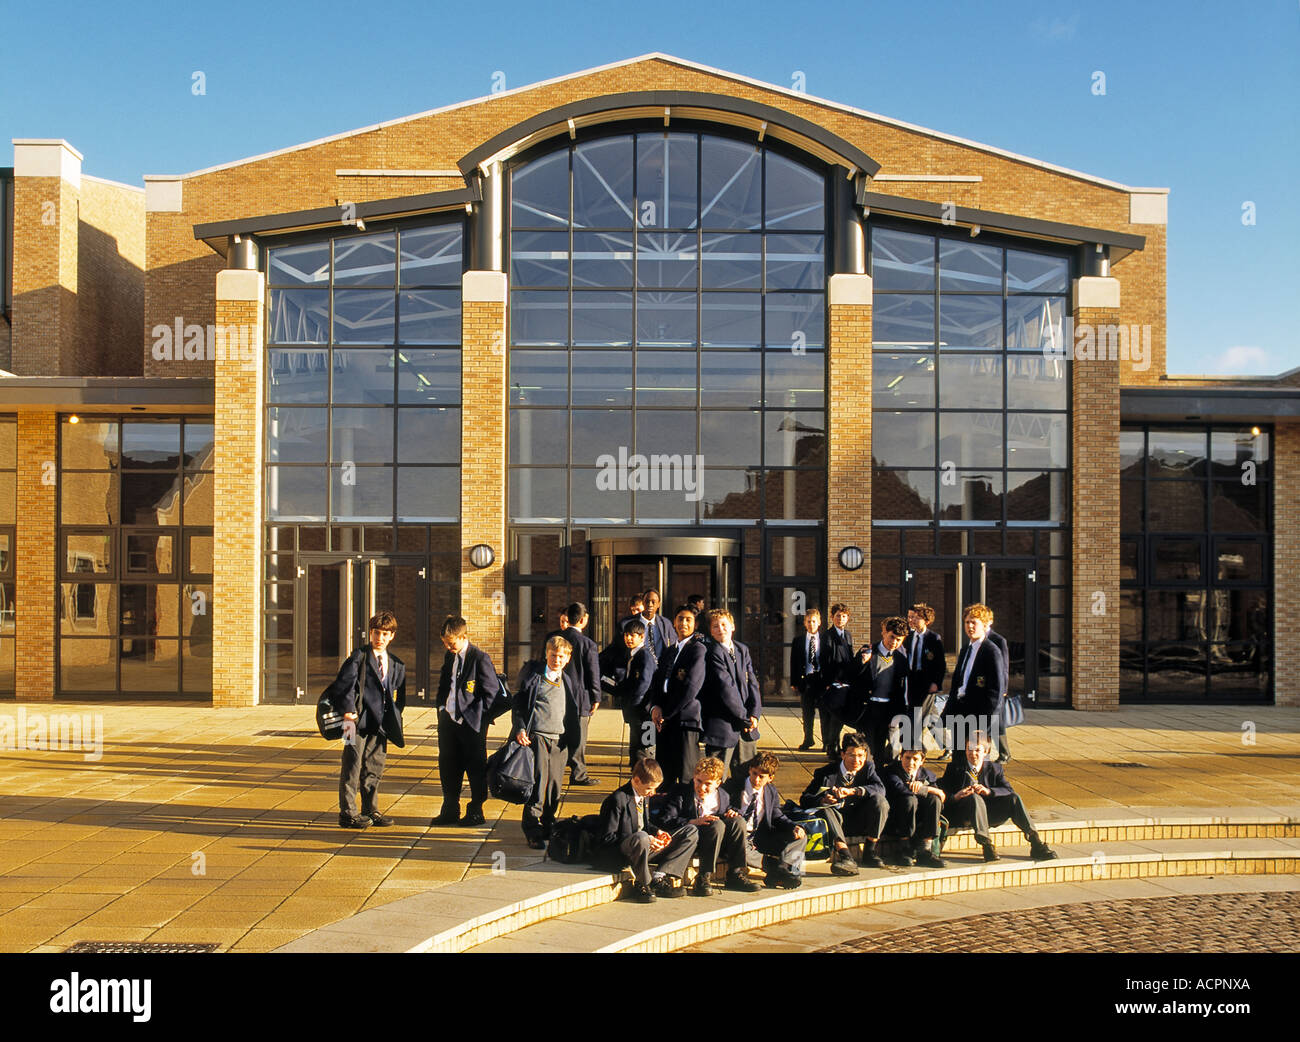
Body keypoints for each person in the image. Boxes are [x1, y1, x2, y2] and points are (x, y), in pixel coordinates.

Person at [330, 610, 405, 829]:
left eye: (384, 634)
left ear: (392, 636)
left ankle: (370, 810)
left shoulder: (397, 665)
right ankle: (348, 813)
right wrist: (347, 710)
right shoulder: (359, 657)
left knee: (374, 767)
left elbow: (399, 696)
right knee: (352, 765)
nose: (379, 638)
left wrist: (394, 718)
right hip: (353, 723)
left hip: (379, 725)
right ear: (370, 633)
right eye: (375, 633)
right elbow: (342, 686)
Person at [939, 733, 1057, 862]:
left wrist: (988, 791)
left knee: (1014, 798)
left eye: (977, 750)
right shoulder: (955, 768)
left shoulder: (994, 769)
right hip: (963, 814)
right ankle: (987, 844)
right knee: (974, 798)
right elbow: (943, 793)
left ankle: (1036, 842)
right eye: (969, 749)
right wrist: (957, 796)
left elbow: (1008, 789)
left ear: (986, 752)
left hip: (988, 814)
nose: (973, 753)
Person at [653, 756, 761, 896]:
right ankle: (704, 877)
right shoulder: (681, 792)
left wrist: (731, 813)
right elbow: (665, 820)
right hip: (691, 840)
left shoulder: (723, 796)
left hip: (715, 842)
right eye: (698, 781)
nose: (702, 787)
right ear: (694, 777)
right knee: (716, 825)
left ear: (718, 783)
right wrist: (692, 821)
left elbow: (728, 816)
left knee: (738, 821)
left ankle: (735, 873)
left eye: (708, 784)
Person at [431, 615, 501, 828]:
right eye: (445, 642)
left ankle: (476, 810)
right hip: (448, 722)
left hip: (471, 725)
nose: (448, 647)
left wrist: (479, 719)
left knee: (475, 768)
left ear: (463, 637)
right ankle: (450, 809)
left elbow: (492, 693)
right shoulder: (449, 657)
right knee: (448, 766)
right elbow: (444, 684)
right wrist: (442, 709)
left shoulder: (480, 658)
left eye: (451, 643)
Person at [595, 758, 698, 902]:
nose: (652, 793)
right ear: (636, 780)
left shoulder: (643, 795)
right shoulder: (617, 799)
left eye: (655, 788)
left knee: (690, 831)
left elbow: (644, 823)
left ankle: (660, 876)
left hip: (645, 845)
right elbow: (607, 838)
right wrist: (646, 838)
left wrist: (657, 833)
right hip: (626, 851)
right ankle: (643, 883)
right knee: (642, 837)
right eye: (650, 788)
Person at [513, 635, 577, 849]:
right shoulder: (534, 678)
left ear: (567, 658)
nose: (556, 660)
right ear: (546, 655)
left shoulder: (567, 681)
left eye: (561, 656)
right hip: (538, 736)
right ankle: (532, 829)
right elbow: (519, 705)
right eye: (553, 655)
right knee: (538, 784)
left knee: (555, 787)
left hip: (559, 740)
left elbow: (573, 711)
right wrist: (520, 728)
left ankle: (549, 824)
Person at [799, 731, 890, 871]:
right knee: (825, 809)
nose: (856, 760)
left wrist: (854, 791)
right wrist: (822, 799)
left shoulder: (868, 768)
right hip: (836, 822)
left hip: (860, 819)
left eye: (860, 756)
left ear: (865, 755)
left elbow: (880, 788)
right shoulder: (826, 773)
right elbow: (804, 799)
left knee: (880, 801)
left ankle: (870, 851)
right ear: (843, 755)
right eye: (851, 755)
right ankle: (846, 856)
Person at [723, 752, 806, 889]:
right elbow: (720, 807)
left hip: (758, 837)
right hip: (736, 837)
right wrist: (729, 811)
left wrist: (794, 826)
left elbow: (777, 816)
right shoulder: (733, 785)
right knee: (741, 843)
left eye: (761, 777)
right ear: (750, 769)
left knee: (800, 836)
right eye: (754, 773)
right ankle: (777, 870)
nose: (756, 779)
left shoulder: (770, 791)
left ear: (770, 778)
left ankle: (780, 869)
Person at [544, 602, 601, 786]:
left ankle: (554, 771)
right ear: (583, 620)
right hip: (579, 697)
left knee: (558, 734)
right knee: (578, 737)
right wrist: (596, 696)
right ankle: (578, 773)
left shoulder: (553, 638)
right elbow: (593, 673)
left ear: (567, 617)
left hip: (554, 693)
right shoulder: (588, 644)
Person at [649, 605, 707, 785]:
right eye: (680, 618)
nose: (683, 623)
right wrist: (655, 707)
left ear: (695, 624)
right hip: (665, 720)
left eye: (688, 619)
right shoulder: (670, 650)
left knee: (685, 774)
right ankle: (665, 811)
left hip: (685, 719)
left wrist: (666, 713)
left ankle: (685, 812)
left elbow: (690, 687)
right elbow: (658, 681)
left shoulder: (698, 649)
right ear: (674, 622)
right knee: (664, 772)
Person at [700, 609, 761, 777]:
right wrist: (745, 718)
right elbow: (726, 688)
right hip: (722, 727)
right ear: (710, 631)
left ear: (733, 626)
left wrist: (755, 713)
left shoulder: (743, 649)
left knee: (746, 777)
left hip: (746, 726)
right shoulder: (711, 652)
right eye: (715, 626)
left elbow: (752, 683)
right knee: (716, 777)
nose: (720, 629)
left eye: (724, 624)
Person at [944, 603, 1005, 754]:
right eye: (967, 622)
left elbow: (995, 691)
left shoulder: (991, 651)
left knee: (975, 759)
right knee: (958, 755)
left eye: (974, 622)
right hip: (960, 710)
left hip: (978, 714)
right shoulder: (966, 649)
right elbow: (958, 681)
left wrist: (986, 723)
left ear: (984, 625)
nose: (970, 626)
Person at [852, 616, 908, 768]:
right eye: (892, 637)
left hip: (888, 710)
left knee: (889, 751)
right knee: (867, 749)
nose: (894, 642)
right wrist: (861, 662)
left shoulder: (901, 659)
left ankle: (884, 782)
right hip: (868, 708)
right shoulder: (869, 651)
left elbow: (901, 689)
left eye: (899, 640)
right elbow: (852, 676)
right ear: (884, 633)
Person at [880, 745, 946, 868]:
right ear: (901, 756)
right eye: (907, 758)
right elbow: (901, 789)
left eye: (915, 759)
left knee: (934, 800)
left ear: (922, 761)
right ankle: (904, 849)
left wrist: (928, 789)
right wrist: (926, 789)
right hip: (897, 818)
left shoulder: (927, 774)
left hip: (919, 818)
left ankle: (925, 850)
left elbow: (941, 798)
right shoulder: (891, 771)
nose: (910, 763)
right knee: (909, 799)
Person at [612, 618, 658, 766]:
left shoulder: (644, 656)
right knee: (635, 748)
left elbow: (644, 683)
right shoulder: (631, 655)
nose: (629, 638)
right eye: (626, 635)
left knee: (646, 749)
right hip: (636, 713)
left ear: (641, 637)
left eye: (633, 635)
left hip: (645, 712)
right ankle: (637, 777)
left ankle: (647, 780)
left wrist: (634, 704)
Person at [821, 603, 862, 759]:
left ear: (847, 618)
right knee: (834, 719)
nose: (840, 619)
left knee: (840, 718)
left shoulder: (848, 635)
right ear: (832, 617)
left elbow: (849, 659)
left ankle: (835, 746)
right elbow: (825, 661)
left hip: (846, 683)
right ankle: (832, 747)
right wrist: (830, 682)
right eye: (838, 616)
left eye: (844, 616)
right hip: (834, 683)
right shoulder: (827, 636)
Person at [790, 607, 826, 752]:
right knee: (807, 712)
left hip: (821, 681)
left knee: (824, 713)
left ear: (819, 623)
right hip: (806, 680)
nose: (811, 624)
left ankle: (826, 742)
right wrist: (794, 681)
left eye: (814, 621)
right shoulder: (798, 641)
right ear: (805, 623)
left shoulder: (825, 640)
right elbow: (793, 661)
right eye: (808, 621)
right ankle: (808, 739)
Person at [984, 612, 1012, 763]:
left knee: (997, 722)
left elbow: (1005, 666)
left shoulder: (998, 640)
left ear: (990, 622)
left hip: (997, 688)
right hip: (985, 687)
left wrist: (1004, 688)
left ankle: (1004, 753)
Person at [639, 588, 677, 657]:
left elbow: (673, 646)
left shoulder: (666, 624)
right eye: (647, 601)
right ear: (642, 603)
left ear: (658, 604)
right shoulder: (628, 623)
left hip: (660, 666)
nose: (650, 605)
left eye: (653, 602)